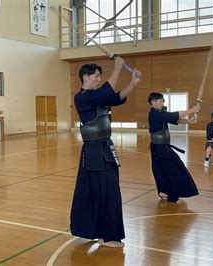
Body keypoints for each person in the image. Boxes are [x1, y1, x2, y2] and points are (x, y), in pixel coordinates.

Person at [70, 58, 141, 248]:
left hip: (105, 148)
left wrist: (132, 83)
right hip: (93, 151)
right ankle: (106, 236)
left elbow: (117, 96)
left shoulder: (98, 97)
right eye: (96, 76)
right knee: (102, 192)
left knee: (108, 191)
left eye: (100, 76)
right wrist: (117, 68)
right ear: (85, 78)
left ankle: (102, 233)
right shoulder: (82, 97)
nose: (99, 79)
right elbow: (106, 91)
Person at [148, 92, 200, 203]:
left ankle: (163, 191)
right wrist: (191, 110)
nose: (163, 103)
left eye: (163, 100)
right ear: (153, 102)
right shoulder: (154, 113)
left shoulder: (159, 113)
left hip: (161, 147)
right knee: (175, 168)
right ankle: (170, 193)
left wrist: (188, 121)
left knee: (161, 170)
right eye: (161, 100)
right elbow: (171, 116)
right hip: (159, 148)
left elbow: (173, 119)